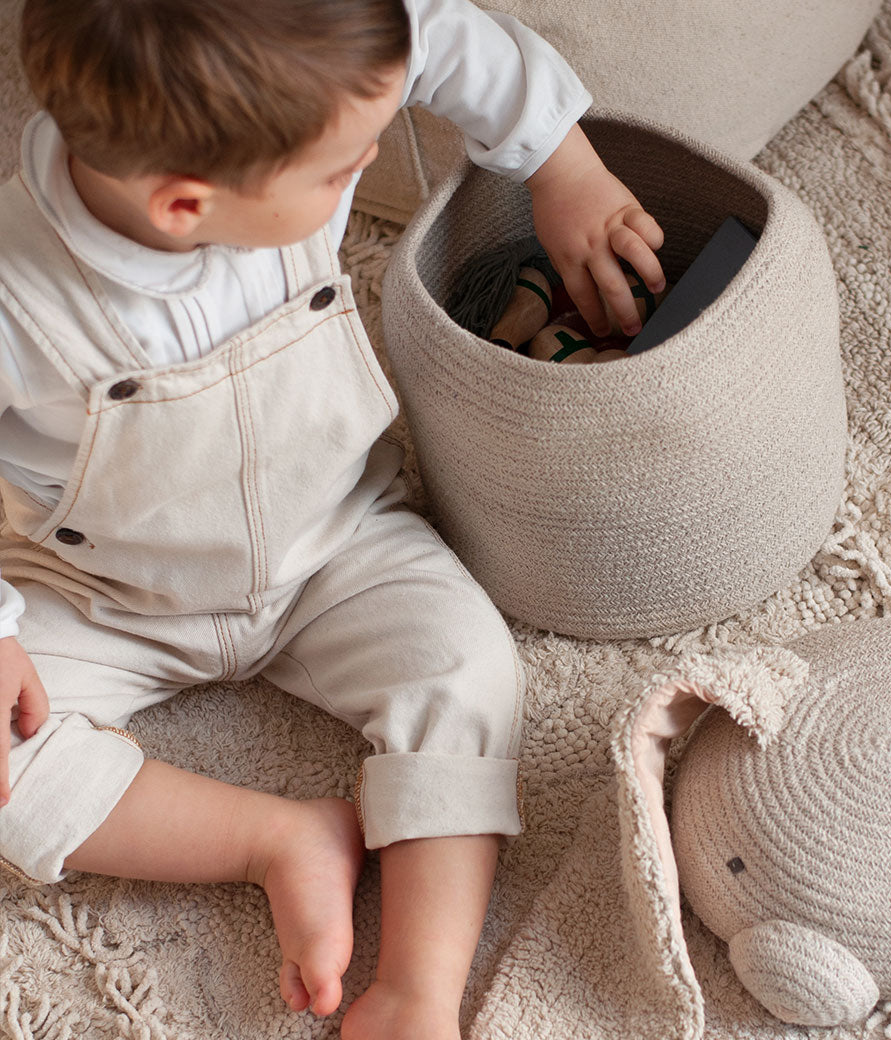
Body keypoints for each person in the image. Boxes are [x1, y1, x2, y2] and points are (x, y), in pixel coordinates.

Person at [0, 0, 665, 1036]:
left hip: (338, 541)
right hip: (106, 593)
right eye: (341, 167)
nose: (365, 159)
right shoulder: (14, 296)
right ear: (186, 205)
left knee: (468, 671)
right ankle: (271, 838)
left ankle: (417, 987)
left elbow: (434, 32)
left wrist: (559, 165)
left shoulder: (314, 65)